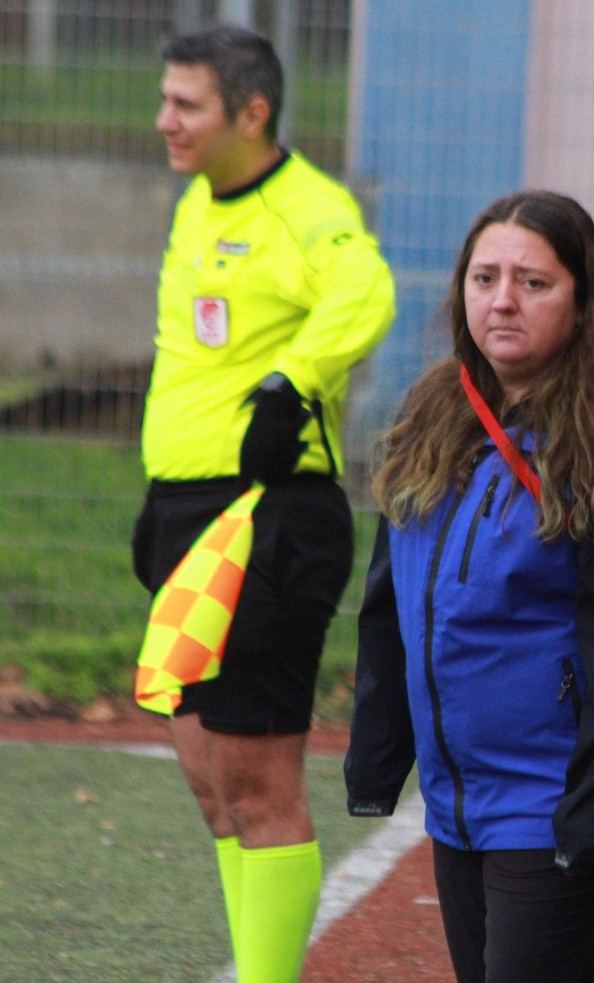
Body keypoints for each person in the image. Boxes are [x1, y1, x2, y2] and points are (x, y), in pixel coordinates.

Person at [344, 190, 594, 983]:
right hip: (462, 794)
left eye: (534, 282)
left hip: (561, 793)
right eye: (485, 277)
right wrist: (378, 756)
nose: (502, 300)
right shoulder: (434, 410)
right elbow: (390, 601)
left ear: (583, 301)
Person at [131, 23, 394, 983]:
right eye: (165, 99)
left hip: (266, 520)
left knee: (255, 780)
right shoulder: (199, 203)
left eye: (186, 103)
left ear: (254, 111)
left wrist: (292, 382)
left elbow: (366, 291)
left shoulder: (307, 208)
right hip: (187, 516)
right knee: (208, 780)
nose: (164, 120)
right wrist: (160, 495)